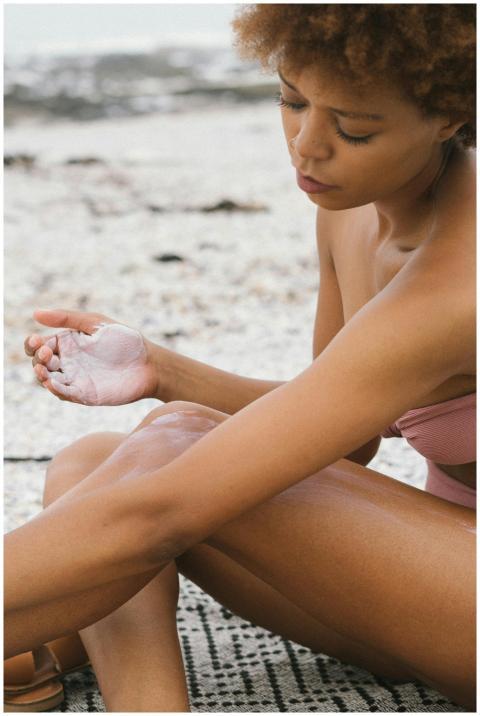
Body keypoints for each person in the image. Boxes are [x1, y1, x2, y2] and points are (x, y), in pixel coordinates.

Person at [4, 4, 476, 712]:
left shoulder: (459, 278)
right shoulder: (348, 210)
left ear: (448, 115)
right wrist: (162, 373)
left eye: (353, 128)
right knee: (93, 460)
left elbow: (163, 510)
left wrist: (178, 422)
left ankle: (31, 647)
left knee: (170, 460)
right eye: (291, 100)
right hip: (429, 584)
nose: (307, 145)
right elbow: (346, 444)